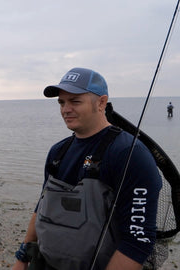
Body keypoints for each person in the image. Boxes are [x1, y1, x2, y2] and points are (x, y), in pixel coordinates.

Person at [12, 67, 161, 270]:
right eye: (61, 102)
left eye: (75, 101)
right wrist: (22, 259)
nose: (65, 109)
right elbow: (41, 206)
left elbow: (138, 240)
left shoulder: (129, 154)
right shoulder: (57, 152)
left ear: (101, 102)